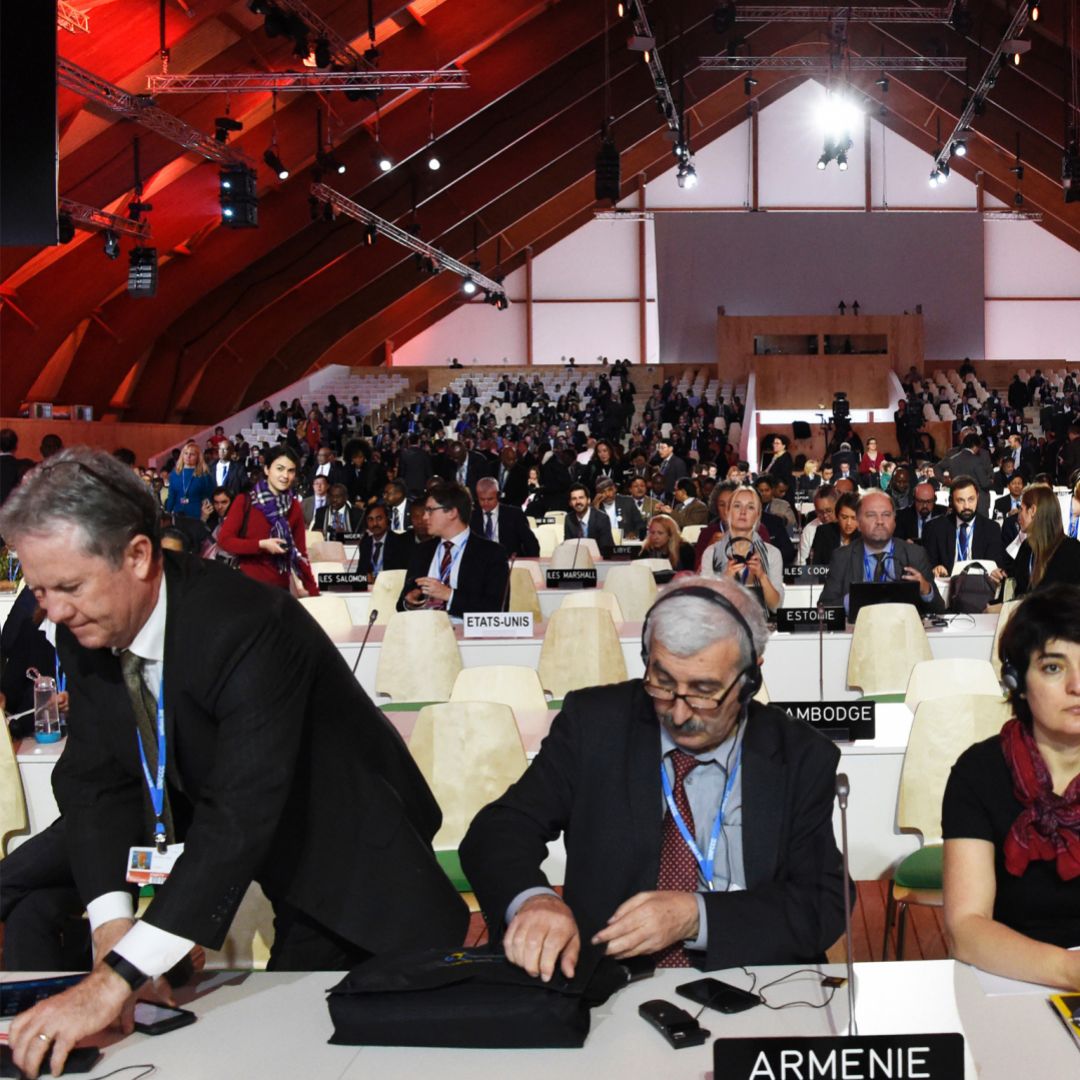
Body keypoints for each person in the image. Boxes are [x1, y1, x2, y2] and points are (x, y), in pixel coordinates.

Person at [0, 449, 468, 1079]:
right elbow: (95, 781)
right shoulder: (79, 627)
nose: (52, 610)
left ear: (138, 556)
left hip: (347, 850)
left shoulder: (248, 623)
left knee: (317, 1052)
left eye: (70, 587)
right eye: (39, 589)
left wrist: (113, 981)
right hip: (220, 822)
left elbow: (241, 812)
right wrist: (114, 927)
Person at [460, 577, 847, 977]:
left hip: (752, 982)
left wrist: (697, 916)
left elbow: (823, 901)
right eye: (662, 683)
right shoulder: (593, 725)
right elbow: (498, 830)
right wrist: (534, 900)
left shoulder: (799, 755)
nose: (678, 714)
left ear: (751, 678)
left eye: (703, 691)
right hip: (607, 982)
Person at [942, 585, 1080, 988]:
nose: (1077, 685)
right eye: (1054, 667)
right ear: (1016, 681)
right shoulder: (979, 772)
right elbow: (966, 928)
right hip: (1012, 978)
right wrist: (1070, 972)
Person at [818, 490, 945, 613]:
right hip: (859, 631)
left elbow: (939, 608)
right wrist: (852, 600)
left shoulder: (915, 554)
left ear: (894, 521)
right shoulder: (842, 557)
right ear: (859, 523)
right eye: (871, 515)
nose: (879, 521)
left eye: (886, 514)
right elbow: (823, 608)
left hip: (902, 631)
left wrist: (925, 590)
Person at [398, 479, 509, 618]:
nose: (424, 517)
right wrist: (409, 602)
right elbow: (401, 605)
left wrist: (448, 595)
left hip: (468, 635)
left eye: (430, 510)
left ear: (452, 512)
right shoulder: (421, 551)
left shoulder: (491, 553)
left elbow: (496, 608)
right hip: (426, 632)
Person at [218, 446, 319, 595]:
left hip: (280, 589)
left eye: (291, 471)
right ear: (267, 470)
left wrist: (313, 591)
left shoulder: (294, 506)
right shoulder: (244, 501)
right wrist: (261, 545)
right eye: (280, 468)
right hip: (247, 587)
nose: (285, 476)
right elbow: (225, 541)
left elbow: (300, 554)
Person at [699, 487, 784, 613]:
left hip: (762, 626)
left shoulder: (773, 553)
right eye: (737, 506)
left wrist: (762, 576)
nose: (743, 512)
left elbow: (776, 607)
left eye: (750, 507)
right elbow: (706, 605)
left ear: (757, 515)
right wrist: (725, 579)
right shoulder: (711, 553)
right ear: (728, 511)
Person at [922, 476, 1008, 584]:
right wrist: (936, 568)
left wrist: (996, 572)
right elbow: (927, 565)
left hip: (980, 588)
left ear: (977, 497)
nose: (966, 506)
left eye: (971, 499)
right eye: (960, 500)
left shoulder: (991, 529)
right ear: (951, 501)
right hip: (946, 588)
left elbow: (996, 565)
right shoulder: (936, 527)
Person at [1012, 485, 1080, 596]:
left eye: (1021, 509)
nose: (1019, 515)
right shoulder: (1026, 547)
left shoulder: (1071, 550)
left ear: (1032, 510)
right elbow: (1019, 591)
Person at [470, 477, 540, 558]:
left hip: (510, 563)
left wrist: (530, 565)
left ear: (498, 495)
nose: (486, 503)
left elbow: (531, 544)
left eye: (490, 499)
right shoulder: (471, 517)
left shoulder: (514, 515)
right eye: (482, 499)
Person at [356, 503, 410, 578]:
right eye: (370, 519)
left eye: (379, 518)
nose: (375, 523)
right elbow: (360, 574)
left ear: (387, 519)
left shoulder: (399, 542)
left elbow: (402, 574)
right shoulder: (365, 543)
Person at [164, 442, 213, 521]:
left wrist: (205, 514)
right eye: (186, 453)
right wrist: (168, 512)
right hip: (178, 513)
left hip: (197, 513)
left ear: (198, 457)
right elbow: (171, 496)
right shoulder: (175, 474)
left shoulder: (204, 475)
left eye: (192, 454)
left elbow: (208, 495)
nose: (188, 456)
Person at [563, 482, 614, 551]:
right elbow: (568, 547)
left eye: (581, 498)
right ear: (570, 503)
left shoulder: (602, 518)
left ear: (588, 500)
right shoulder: (569, 519)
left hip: (600, 559)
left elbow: (606, 548)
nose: (578, 502)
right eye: (574, 499)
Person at [593, 476, 646, 541]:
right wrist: (595, 508)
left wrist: (635, 533)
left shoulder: (628, 501)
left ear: (615, 489)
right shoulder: (595, 507)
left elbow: (640, 524)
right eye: (603, 491)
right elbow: (592, 531)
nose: (607, 494)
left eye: (610, 490)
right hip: (604, 544)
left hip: (626, 543)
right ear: (598, 494)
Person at [798, 486, 836, 565]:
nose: (825, 515)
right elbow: (801, 563)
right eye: (820, 512)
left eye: (829, 511)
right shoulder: (809, 530)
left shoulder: (847, 525)